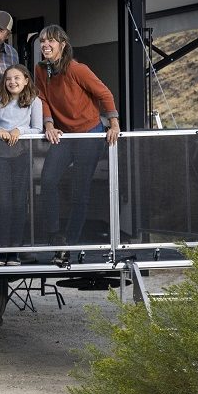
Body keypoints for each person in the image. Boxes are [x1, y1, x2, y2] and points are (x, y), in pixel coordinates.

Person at [35, 24, 120, 267]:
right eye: (42, 41)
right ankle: (56, 238)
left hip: (89, 134)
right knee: (48, 180)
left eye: (51, 41)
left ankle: (70, 245)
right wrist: (49, 125)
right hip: (64, 135)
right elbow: (42, 99)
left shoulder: (77, 69)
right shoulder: (41, 70)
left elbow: (105, 94)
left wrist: (113, 125)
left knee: (79, 191)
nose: (46, 45)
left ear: (62, 45)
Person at [0, 65, 43, 266]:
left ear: (26, 80)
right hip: (0, 157)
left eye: (17, 78)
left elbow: (37, 129)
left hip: (22, 156)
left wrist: (19, 131)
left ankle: (15, 251)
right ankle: (2, 250)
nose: (12, 82)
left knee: (19, 203)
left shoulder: (34, 101)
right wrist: (1, 132)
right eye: (8, 79)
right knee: (4, 203)